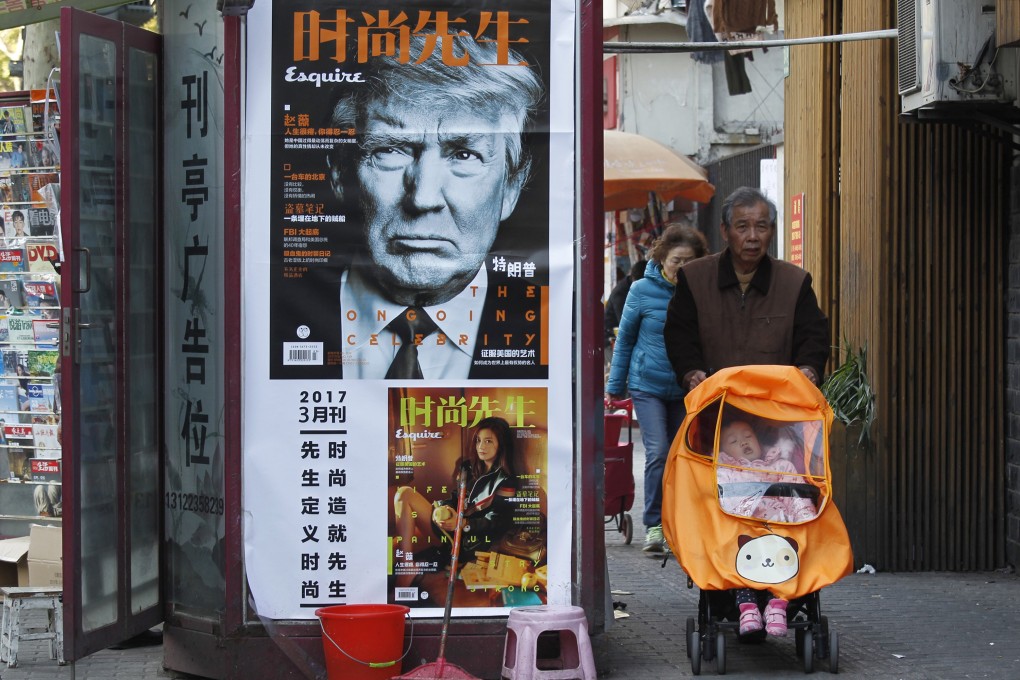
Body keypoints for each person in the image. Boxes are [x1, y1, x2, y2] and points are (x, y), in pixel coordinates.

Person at [325, 33, 545, 380]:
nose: (423, 198)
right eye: (389, 150)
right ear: (340, 173)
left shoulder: (556, 326)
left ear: (510, 189)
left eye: (464, 155)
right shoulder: (271, 317)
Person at [663, 186, 830, 636]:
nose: (752, 236)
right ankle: (729, 590)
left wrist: (810, 369)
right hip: (717, 418)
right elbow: (678, 335)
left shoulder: (794, 282)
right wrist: (692, 373)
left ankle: (781, 592)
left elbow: (814, 335)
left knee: (785, 499)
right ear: (724, 231)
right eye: (742, 226)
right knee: (718, 503)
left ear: (771, 231)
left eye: (761, 226)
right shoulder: (695, 278)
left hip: (778, 424)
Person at [606, 224, 708, 555]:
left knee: (684, 456)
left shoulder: (700, 291)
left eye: (689, 261)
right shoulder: (640, 290)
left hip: (685, 388)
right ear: (663, 258)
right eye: (677, 260)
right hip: (647, 384)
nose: (682, 267)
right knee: (659, 451)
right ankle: (653, 524)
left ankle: (678, 523)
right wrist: (614, 385)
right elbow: (625, 340)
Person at [392, 416, 518, 589]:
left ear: (501, 444)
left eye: (488, 441)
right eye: (479, 441)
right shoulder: (470, 467)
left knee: (405, 493)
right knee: (404, 493)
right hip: (453, 526)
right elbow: (455, 498)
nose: (481, 447)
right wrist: (443, 508)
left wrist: (463, 523)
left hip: (469, 539)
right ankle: (406, 564)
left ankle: (407, 569)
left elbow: (496, 522)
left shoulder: (506, 481)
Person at [604, 258, 647, 350]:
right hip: (611, 341)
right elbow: (626, 324)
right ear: (634, 278)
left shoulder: (633, 287)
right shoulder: (621, 294)